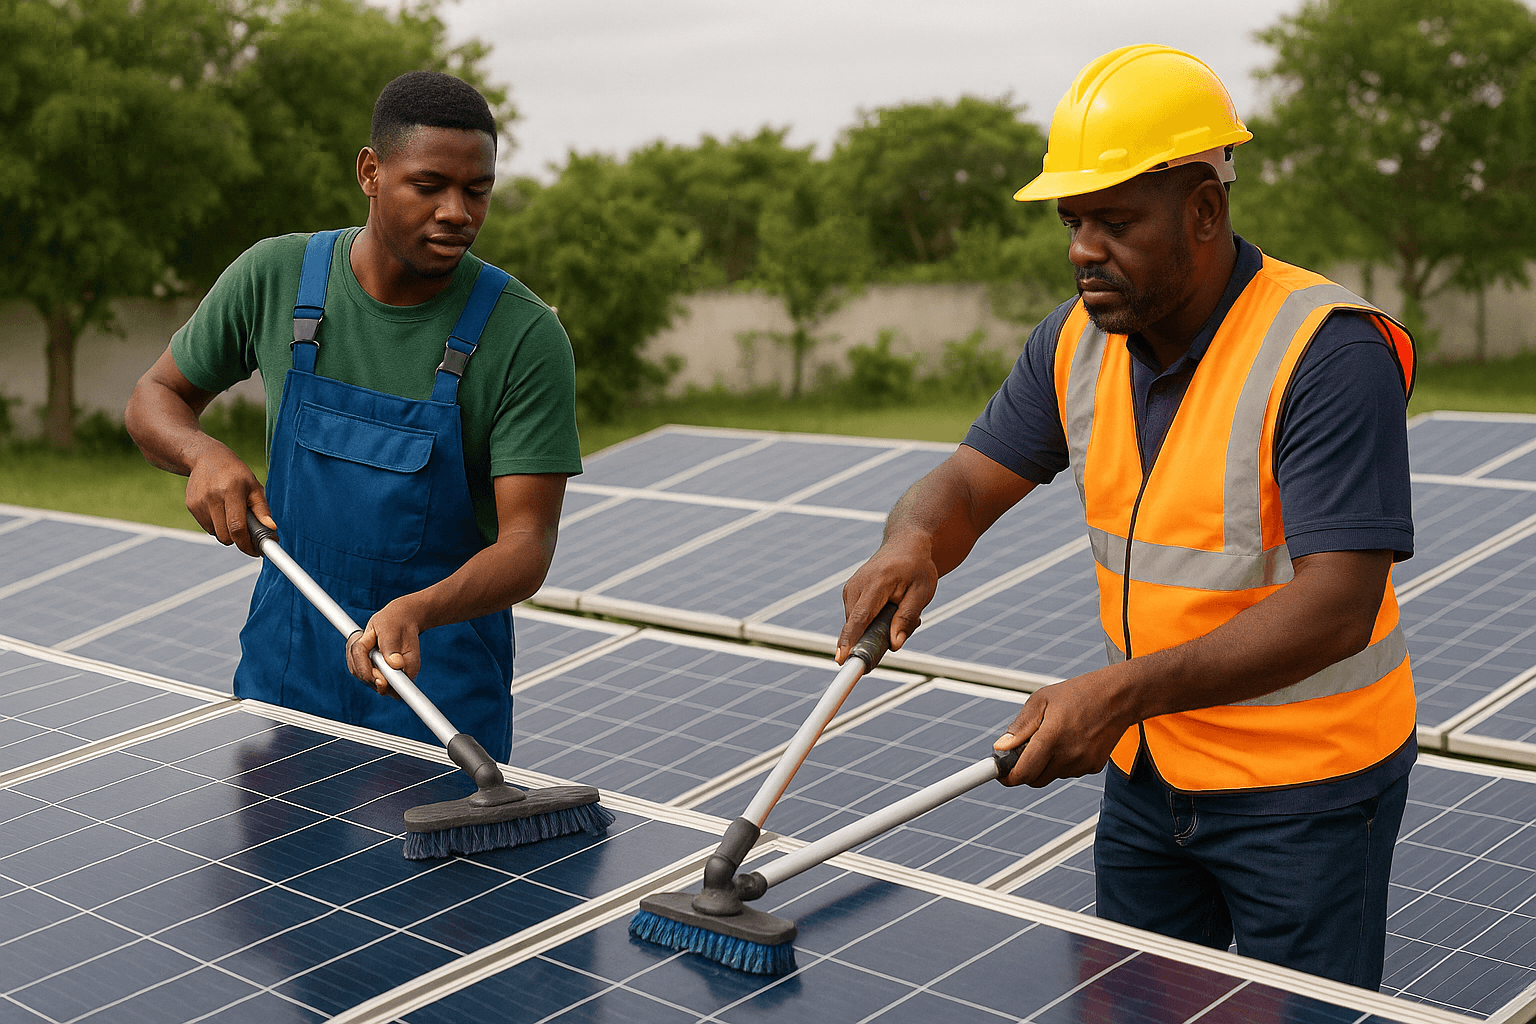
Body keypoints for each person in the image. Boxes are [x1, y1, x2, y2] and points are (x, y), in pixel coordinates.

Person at [837, 45, 1416, 989]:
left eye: (1114, 221)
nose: (1081, 249)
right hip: (1150, 777)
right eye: (1072, 221)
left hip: (1305, 794)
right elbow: (966, 485)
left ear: (1204, 210)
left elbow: (1339, 607)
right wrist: (911, 542)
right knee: (1137, 1010)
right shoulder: (1077, 340)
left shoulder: (1326, 352)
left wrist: (1116, 695)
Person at [125, 71, 581, 762]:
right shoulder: (275, 277)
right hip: (284, 671)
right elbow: (154, 397)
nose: (457, 211)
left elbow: (528, 542)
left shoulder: (522, 337)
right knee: (274, 871)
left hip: (434, 690)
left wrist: (419, 610)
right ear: (371, 171)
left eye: (477, 190)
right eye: (429, 186)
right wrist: (201, 454)